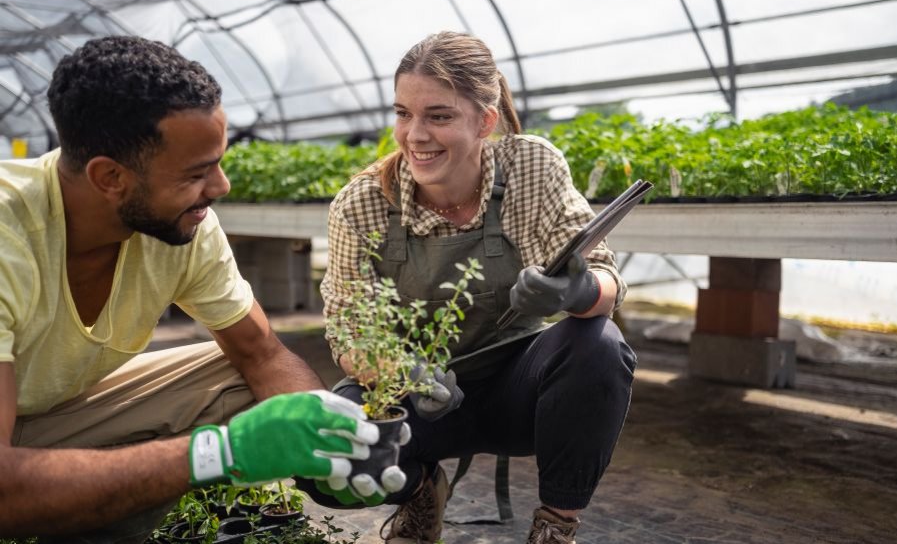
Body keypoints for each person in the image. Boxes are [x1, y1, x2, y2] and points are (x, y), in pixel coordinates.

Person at [0, 35, 396, 543]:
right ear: (109, 177)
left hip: (45, 422)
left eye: (219, 161)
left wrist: (332, 447)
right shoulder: (12, 234)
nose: (221, 186)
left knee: (235, 377)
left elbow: (262, 356)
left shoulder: (182, 225)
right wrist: (217, 454)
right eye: (196, 172)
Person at [314, 31, 637, 543]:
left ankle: (556, 527)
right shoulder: (363, 205)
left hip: (520, 392)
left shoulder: (529, 166)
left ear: (485, 120)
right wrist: (401, 373)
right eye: (403, 113)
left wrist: (577, 293)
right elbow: (349, 331)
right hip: (420, 403)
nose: (415, 134)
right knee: (329, 445)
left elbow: (605, 278)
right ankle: (421, 489)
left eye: (438, 116)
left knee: (598, 343)